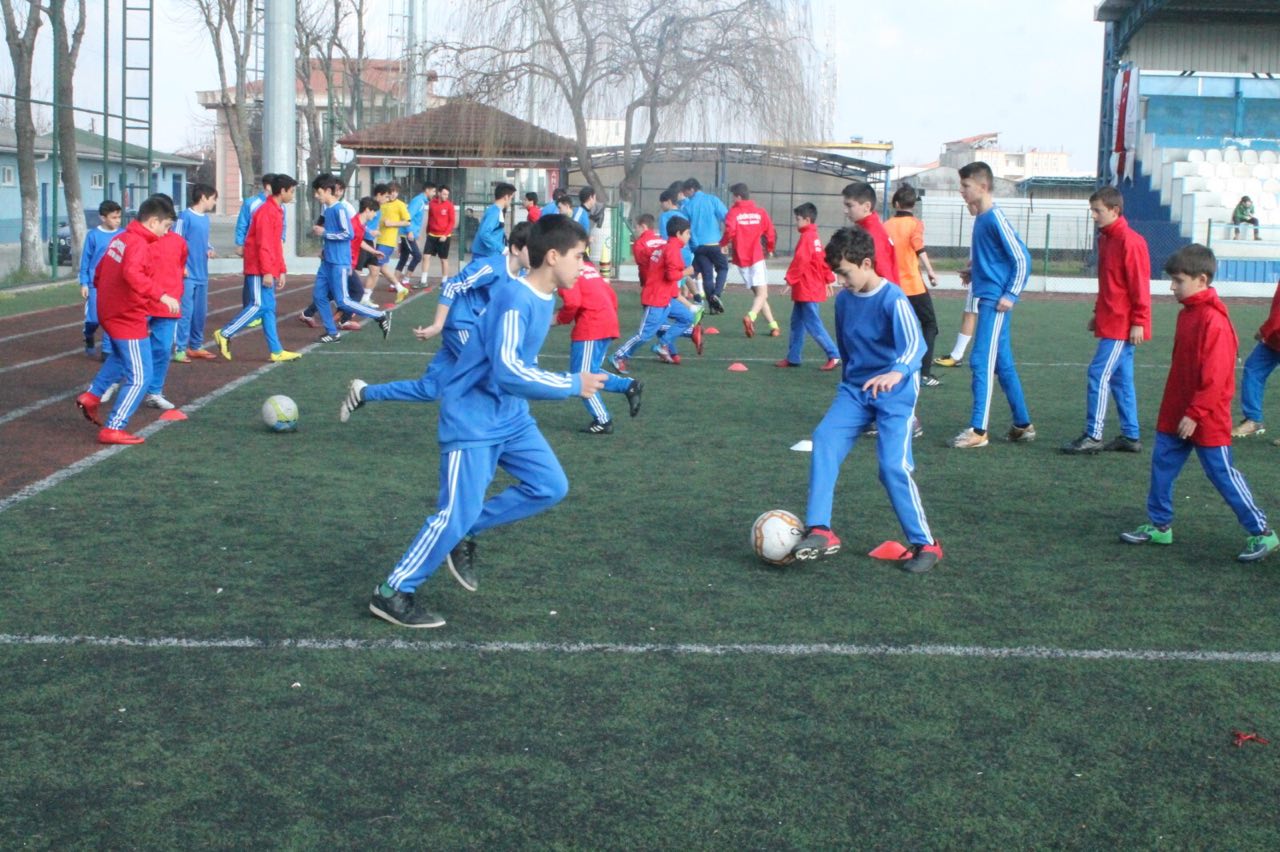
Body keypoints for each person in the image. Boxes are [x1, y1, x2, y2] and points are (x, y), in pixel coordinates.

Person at [366, 214, 607, 628]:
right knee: (452, 513)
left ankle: (464, 530)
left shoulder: (544, 297)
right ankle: (393, 591)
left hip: (510, 417)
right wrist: (571, 384)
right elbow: (509, 370)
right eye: (579, 256)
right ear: (552, 257)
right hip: (473, 421)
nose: (584, 265)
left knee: (549, 486)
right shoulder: (515, 298)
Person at [790, 226, 942, 574]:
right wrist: (851, 392)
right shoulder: (844, 300)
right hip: (856, 391)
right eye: (837, 274)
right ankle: (821, 529)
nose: (841, 281)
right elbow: (847, 345)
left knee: (892, 467)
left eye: (845, 273)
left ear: (867, 263)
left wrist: (897, 372)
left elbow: (915, 346)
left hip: (895, 392)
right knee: (825, 439)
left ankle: (926, 544)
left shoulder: (894, 300)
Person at [1120, 244, 1278, 563]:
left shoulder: (1214, 321)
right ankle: (1160, 524)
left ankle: (1262, 533)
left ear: (1201, 280)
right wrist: (1180, 410)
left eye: (1178, 280)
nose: (1172, 286)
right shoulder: (1187, 315)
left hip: (1205, 417)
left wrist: (1195, 413)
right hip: (1176, 412)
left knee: (1222, 474)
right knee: (1161, 466)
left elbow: (1217, 377)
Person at [341, 223, 536, 420]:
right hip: (462, 327)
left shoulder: (519, 277)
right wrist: (437, 325)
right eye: (533, 249)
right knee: (495, 373)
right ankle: (504, 428)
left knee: (429, 389)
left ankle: (363, 392)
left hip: (476, 331)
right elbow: (451, 286)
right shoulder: (491, 267)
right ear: (515, 249)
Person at [74, 196, 182, 445]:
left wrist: (109, 299)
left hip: (111, 312)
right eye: (166, 226)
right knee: (141, 376)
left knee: (122, 358)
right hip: (126, 317)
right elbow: (132, 274)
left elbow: (99, 272)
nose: (167, 232)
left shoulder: (120, 238)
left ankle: (92, 395)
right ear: (153, 221)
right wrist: (161, 295)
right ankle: (114, 427)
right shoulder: (138, 243)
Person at [949, 161, 1035, 449]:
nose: (961, 191)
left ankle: (979, 430)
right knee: (1003, 364)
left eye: (965, 186)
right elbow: (995, 260)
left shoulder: (995, 218)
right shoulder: (982, 218)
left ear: (982, 187)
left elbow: (1022, 259)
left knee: (980, 360)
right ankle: (1023, 424)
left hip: (995, 302)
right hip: (988, 295)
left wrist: (1010, 294)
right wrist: (973, 272)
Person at [1061, 186, 1151, 454]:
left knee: (1098, 374)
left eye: (1097, 210)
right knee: (1121, 380)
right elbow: (1109, 284)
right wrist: (1096, 314)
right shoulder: (1107, 239)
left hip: (1122, 325)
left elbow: (1139, 286)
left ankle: (1093, 435)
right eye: (1092, 210)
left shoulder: (1130, 241)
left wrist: (1139, 321)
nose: (1094, 216)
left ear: (1114, 210)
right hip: (1112, 320)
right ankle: (1130, 436)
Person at [213, 174, 302, 363]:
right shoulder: (265, 212)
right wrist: (268, 271)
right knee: (259, 305)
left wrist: (281, 269)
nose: (293, 194)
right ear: (283, 191)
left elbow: (276, 245)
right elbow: (263, 245)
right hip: (258, 267)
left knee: (269, 309)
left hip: (266, 266)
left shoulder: (277, 210)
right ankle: (225, 333)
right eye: (291, 191)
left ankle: (276, 350)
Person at [557, 259, 643, 433]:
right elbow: (611, 295)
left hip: (591, 326)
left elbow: (572, 302)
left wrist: (560, 318)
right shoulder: (589, 269)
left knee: (582, 377)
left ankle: (603, 421)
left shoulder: (568, 268)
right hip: (605, 321)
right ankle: (628, 386)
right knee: (591, 371)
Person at [310, 176, 392, 344]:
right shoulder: (327, 209)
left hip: (338, 262)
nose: (316, 196)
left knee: (343, 300)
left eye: (318, 193)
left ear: (327, 191)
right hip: (327, 262)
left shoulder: (339, 209)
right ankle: (332, 333)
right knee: (319, 296)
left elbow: (348, 234)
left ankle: (380, 315)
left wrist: (325, 233)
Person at [609, 216, 697, 373]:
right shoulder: (671, 249)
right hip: (656, 298)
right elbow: (671, 276)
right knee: (645, 334)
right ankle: (619, 356)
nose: (689, 236)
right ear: (678, 233)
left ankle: (663, 344)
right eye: (688, 233)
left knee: (687, 318)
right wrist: (688, 271)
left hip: (665, 297)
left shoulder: (666, 246)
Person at [883, 185, 942, 386]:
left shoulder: (886, 225)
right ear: (913, 205)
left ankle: (889, 369)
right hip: (913, 285)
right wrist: (931, 271)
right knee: (929, 325)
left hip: (892, 287)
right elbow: (918, 247)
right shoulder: (915, 224)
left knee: (893, 328)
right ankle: (924, 373)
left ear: (896, 204)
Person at [776, 202, 839, 371]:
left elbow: (801, 261)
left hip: (807, 288)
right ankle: (793, 357)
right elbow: (821, 260)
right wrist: (828, 279)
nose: (796, 222)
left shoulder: (807, 238)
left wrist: (789, 281)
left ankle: (834, 354)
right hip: (808, 287)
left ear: (807, 219)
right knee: (797, 323)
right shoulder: (814, 237)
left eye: (798, 219)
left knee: (813, 323)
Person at [721, 182, 779, 338]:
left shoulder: (733, 212)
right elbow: (770, 232)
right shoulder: (760, 212)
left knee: (759, 295)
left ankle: (774, 326)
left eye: (733, 196)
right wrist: (771, 248)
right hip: (756, 257)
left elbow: (729, 230)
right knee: (762, 294)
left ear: (738, 196)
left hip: (741, 259)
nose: (733, 200)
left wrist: (723, 243)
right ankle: (750, 317)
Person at [172, 184, 218, 362]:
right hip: (187, 274)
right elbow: (176, 242)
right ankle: (180, 349)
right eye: (214, 198)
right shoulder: (185, 216)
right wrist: (181, 266)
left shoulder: (205, 219)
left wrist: (209, 248)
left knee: (200, 312)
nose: (214, 202)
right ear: (204, 198)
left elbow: (203, 240)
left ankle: (196, 345)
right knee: (186, 312)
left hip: (202, 273)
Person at [1231, 279, 1280, 440]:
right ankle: (1253, 420)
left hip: (1274, 335)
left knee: (1253, 370)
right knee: (1253, 369)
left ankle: (1253, 420)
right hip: (1274, 339)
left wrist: (1264, 331)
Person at [79, 200, 124, 359]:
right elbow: (86, 260)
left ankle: (107, 350)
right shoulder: (93, 235)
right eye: (114, 217)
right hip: (95, 284)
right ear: (103, 218)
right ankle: (89, 335)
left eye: (119, 217)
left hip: (115, 284)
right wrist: (84, 282)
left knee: (110, 316)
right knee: (94, 319)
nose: (117, 220)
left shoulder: (123, 234)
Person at [680, 177, 729, 313]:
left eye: (686, 192)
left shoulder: (688, 206)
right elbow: (727, 218)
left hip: (699, 246)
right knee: (723, 269)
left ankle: (713, 307)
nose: (685, 195)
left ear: (691, 189)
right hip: (715, 243)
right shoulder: (713, 200)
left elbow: (685, 226)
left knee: (707, 275)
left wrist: (691, 244)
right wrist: (726, 239)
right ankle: (716, 295)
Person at [233, 174, 275, 322]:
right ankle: (249, 311)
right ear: (268, 186)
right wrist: (240, 244)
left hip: (267, 248)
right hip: (253, 248)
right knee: (251, 279)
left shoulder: (278, 205)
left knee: (268, 278)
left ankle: (262, 311)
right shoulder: (252, 203)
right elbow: (242, 223)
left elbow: (281, 227)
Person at [841, 181, 897, 281]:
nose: (845, 211)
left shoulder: (872, 234)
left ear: (867, 206)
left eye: (849, 206)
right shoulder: (866, 228)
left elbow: (883, 272)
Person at [375, 182, 411, 302]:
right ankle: (399, 287)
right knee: (380, 267)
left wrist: (393, 224)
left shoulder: (400, 205)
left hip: (388, 241)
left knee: (376, 266)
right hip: (379, 239)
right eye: (391, 192)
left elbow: (407, 221)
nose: (393, 194)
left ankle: (365, 295)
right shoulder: (382, 204)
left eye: (396, 192)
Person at [396, 182, 431, 287]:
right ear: (427, 190)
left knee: (403, 258)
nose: (434, 194)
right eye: (433, 191)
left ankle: (394, 284)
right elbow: (408, 216)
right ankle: (405, 280)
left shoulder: (422, 202)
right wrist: (410, 231)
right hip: (407, 234)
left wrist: (415, 233)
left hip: (409, 234)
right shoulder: (418, 201)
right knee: (417, 256)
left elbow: (415, 219)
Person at [423, 184, 458, 284]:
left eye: (447, 195)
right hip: (432, 235)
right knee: (426, 257)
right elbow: (430, 218)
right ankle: (423, 280)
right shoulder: (431, 204)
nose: (445, 196)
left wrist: (445, 235)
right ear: (439, 193)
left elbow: (452, 222)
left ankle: (444, 281)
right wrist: (427, 231)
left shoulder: (449, 205)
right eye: (444, 194)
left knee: (443, 259)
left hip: (444, 237)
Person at [471, 182, 515, 259]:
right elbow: (484, 233)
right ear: (506, 197)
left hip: (488, 255)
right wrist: (502, 248)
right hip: (484, 256)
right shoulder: (494, 212)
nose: (511, 201)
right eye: (511, 198)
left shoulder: (496, 210)